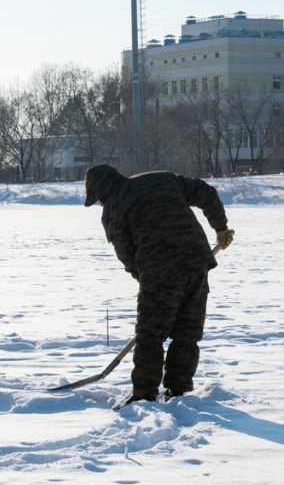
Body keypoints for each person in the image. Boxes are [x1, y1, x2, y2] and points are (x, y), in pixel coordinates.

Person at [82, 164, 234, 409]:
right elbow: (206, 193)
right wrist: (221, 229)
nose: (100, 204)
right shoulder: (162, 178)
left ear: (102, 192)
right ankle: (178, 391)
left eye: (98, 199)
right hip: (197, 260)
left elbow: (127, 256)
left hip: (159, 268)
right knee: (187, 332)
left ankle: (143, 395)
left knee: (150, 336)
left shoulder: (113, 209)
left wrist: (150, 283)